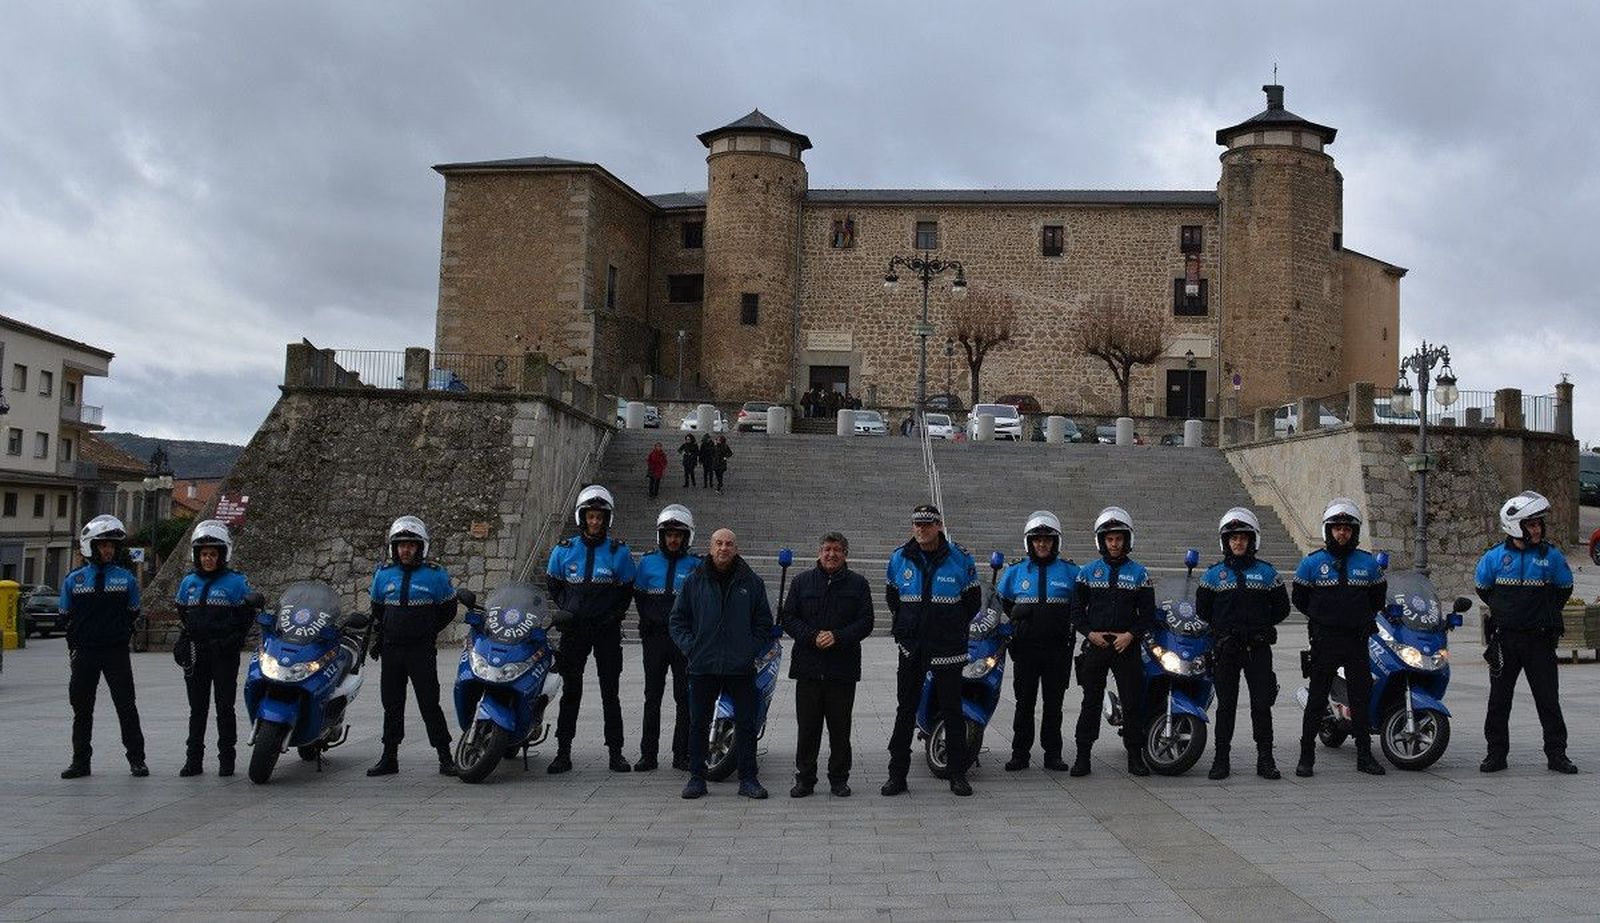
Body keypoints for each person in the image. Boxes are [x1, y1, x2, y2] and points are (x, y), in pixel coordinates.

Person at [883, 504, 982, 797]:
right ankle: (896, 775)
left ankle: (957, 775)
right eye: (917, 524)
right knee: (905, 711)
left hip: (947, 649)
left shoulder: (960, 559)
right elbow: (893, 599)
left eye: (928, 524)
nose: (922, 529)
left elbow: (972, 602)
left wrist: (950, 628)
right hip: (912, 648)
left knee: (952, 711)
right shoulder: (899, 558)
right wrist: (907, 629)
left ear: (939, 525)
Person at [1476, 490, 1578, 774]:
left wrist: (1538, 614)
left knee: (1548, 700)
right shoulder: (1494, 557)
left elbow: (1564, 589)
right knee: (1499, 700)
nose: (1537, 529)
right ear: (1515, 526)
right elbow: (1483, 589)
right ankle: (1495, 755)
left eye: (1538, 524)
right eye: (1531, 524)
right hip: (1505, 640)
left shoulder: (1552, 557)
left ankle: (1557, 755)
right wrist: (1510, 613)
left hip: (1539, 640)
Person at [671, 528, 773, 799]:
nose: (724, 548)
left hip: (740, 668)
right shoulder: (695, 581)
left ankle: (748, 779)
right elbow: (678, 620)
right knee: (698, 723)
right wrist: (691, 648)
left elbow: (764, 623)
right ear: (710, 547)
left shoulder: (751, 583)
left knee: (747, 724)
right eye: (719, 543)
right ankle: (696, 777)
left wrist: (749, 649)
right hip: (703, 665)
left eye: (729, 544)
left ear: (736, 549)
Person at [1293, 498, 1387, 777]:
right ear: (1328, 531)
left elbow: (1377, 599)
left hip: (1356, 641)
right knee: (1317, 698)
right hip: (1325, 641)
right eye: (1337, 528)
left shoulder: (1368, 563)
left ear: (1354, 532)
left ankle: (1364, 756)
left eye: (1347, 528)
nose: (1342, 533)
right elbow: (1299, 599)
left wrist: (1357, 619)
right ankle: (1306, 757)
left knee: (1360, 698)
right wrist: (1323, 618)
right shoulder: (1312, 564)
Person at [545, 485, 636, 773]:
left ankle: (616, 753)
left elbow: (626, 591)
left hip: (606, 632)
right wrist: (568, 610)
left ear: (606, 519)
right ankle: (563, 752)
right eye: (590, 516)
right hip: (574, 632)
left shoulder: (619, 552)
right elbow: (554, 586)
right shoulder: (564, 551)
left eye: (599, 517)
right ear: (582, 518)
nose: (594, 522)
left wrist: (613, 616)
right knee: (571, 691)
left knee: (611, 692)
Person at [1196, 507, 1290, 781]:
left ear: (1252, 540)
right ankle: (1220, 759)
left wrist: (1260, 628)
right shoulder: (1213, 575)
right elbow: (1203, 609)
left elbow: (1282, 608)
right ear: (1226, 541)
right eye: (1233, 538)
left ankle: (1266, 760)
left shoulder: (1268, 574)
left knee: (1262, 705)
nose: (1238, 542)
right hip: (1227, 650)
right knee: (1226, 706)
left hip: (1258, 649)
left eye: (1243, 538)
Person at [780, 531, 874, 797]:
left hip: (841, 669)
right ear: (819, 552)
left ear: (845, 553)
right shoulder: (801, 582)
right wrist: (812, 636)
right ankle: (805, 779)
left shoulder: (858, 584)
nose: (831, 554)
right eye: (826, 549)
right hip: (808, 668)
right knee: (807, 728)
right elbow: (788, 617)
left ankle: (839, 779)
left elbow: (866, 621)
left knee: (840, 728)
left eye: (837, 549)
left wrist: (838, 637)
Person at [366, 515, 459, 777]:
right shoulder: (383, 576)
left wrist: (428, 631)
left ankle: (445, 756)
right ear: (393, 548)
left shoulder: (436, 575)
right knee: (392, 705)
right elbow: (377, 610)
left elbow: (449, 610)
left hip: (421, 651)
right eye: (400, 545)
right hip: (392, 650)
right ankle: (389, 757)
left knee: (430, 704)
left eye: (411, 545)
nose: (405, 550)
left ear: (421, 547)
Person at [1068, 507, 1156, 777]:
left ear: (1127, 540)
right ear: (1101, 541)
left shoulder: (1140, 573)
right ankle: (1083, 757)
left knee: (1131, 703)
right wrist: (1088, 633)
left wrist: (1130, 635)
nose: (1114, 544)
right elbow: (1075, 609)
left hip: (1125, 646)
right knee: (1090, 702)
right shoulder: (1087, 572)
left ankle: (1135, 756)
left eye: (1119, 538)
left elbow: (1148, 615)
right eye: (1109, 539)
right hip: (1097, 644)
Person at [58, 515, 148, 779]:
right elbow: (65, 615)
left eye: (112, 545)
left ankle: (137, 760)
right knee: (82, 709)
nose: (108, 550)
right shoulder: (73, 581)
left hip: (115, 652)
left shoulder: (127, 579)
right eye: (103, 545)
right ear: (90, 546)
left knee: (126, 706)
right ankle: (80, 762)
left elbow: (133, 611)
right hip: (84, 652)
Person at [997, 511, 1079, 772]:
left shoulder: (1071, 571)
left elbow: (1082, 606)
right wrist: (1014, 620)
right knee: (1024, 704)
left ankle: (1052, 754)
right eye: (1037, 540)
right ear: (1029, 542)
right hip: (1026, 650)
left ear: (1055, 542)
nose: (1042, 544)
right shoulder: (1015, 571)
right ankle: (1019, 754)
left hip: (1058, 650)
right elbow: (1000, 603)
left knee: (1053, 705)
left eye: (1047, 540)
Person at [172, 520, 255, 777]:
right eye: (204, 554)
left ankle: (226, 759)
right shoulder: (189, 583)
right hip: (197, 653)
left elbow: (246, 618)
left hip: (224, 654)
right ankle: (193, 760)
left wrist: (233, 639)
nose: (208, 559)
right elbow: (184, 613)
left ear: (222, 555)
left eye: (213, 554)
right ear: (198, 555)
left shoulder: (236, 583)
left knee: (224, 707)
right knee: (197, 709)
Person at [632, 504, 701, 772]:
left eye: (678, 535)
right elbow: (639, 598)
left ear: (687, 537)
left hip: (683, 642)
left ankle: (681, 754)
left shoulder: (696, 565)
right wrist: (649, 623)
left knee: (684, 698)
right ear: (661, 536)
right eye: (669, 534)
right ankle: (648, 754)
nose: (673, 539)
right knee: (653, 697)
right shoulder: (647, 562)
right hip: (655, 640)